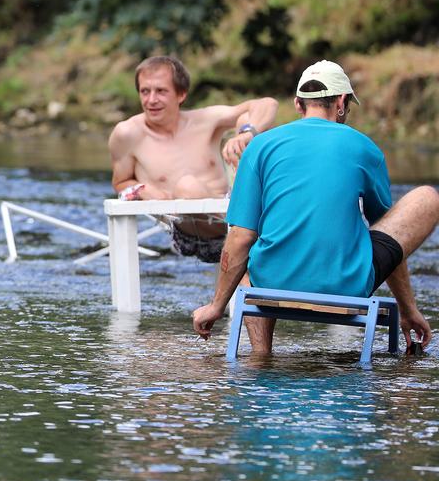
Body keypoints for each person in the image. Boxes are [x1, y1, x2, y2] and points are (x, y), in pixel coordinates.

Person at [191, 60, 439, 355]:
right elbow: (389, 238)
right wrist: (408, 309)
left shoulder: (259, 146)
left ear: (298, 104)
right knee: (425, 196)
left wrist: (216, 306)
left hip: (269, 284)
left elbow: (241, 236)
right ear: (342, 102)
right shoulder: (364, 147)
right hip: (345, 288)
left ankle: (261, 355)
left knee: (250, 263)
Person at [108, 54, 279, 261]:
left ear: (181, 95)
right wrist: (143, 189)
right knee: (187, 186)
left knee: (245, 119)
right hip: (188, 232)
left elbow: (268, 104)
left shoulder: (205, 120)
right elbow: (121, 182)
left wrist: (247, 132)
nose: (151, 100)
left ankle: (250, 222)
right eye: (145, 91)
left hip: (228, 218)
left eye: (161, 91)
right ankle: (255, 227)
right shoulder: (127, 134)